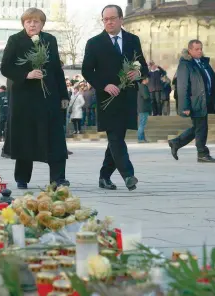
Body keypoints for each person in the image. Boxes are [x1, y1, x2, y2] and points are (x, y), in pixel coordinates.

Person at [0, 8, 70, 189]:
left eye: (36, 21)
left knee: (54, 136)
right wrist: (27, 74)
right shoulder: (15, 40)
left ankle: (58, 178)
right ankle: (22, 178)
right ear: (23, 23)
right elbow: (5, 68)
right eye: (29, 21)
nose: (32, 24)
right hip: (24, 99)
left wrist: (63, 95)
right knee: (26, 136)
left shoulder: (50, 40)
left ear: (42, 24)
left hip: (49, 97)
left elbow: (56, 69)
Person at [81, 4, 148, 191]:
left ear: (121, 19)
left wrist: (138, 72)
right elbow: (86, 70)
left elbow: (142, 64)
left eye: (112, 18)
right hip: (107, 98)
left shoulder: (133, 40)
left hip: (127, 96)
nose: (108, 22)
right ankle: (128, 175)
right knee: (116, 136)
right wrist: (104, 85)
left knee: (117, 137)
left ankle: (104, 176)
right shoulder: (94, 43)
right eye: (105, 19)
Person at [168, 40, 215, 163]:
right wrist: (185, 106)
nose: (200, 51)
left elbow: (210, 80)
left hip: (204, 100)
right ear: (190, 50)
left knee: (199, 127)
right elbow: (182, 86)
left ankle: (176, 142)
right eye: (197, 49)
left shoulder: (203, 63)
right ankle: (202, 153)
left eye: (201, 49)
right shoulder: (185, 64)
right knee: (201, 127)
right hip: (194, 101)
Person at [137, 78, 151, 143]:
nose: (148, 80)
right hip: (143, 107)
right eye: (147, 79)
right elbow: (146, 96)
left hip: (141, 108)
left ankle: (142, 138)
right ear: (144, 80)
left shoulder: (140, 86)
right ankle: (140, 138)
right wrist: (150, 97)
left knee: (142, 124)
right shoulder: (143, 86)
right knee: (142, 124)